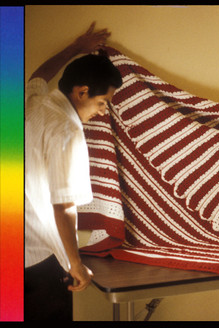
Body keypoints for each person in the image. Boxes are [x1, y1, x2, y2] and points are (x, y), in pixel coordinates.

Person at [24, 22, 123, 320]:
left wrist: (77, 46)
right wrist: (75, 263)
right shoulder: (67, 130)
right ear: (81, 92)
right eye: (102, 101)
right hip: (40, 258)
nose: (103, 111)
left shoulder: (34, 103)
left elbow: (38, 75)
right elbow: (64, 205)